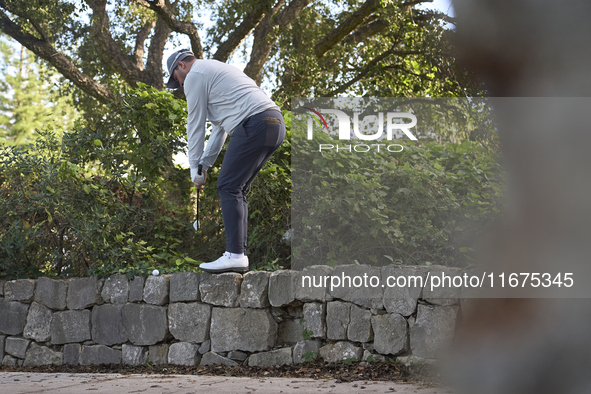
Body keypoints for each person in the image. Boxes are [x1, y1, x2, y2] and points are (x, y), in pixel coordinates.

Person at [165, 48, 286, 274]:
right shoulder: (215, 70)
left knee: (229, 186)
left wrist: (193, 166)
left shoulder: (194, 75)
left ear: (180, 66)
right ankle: (237, 254)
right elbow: (219, 129)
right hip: (275, 124)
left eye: (176, 80)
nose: (180, 86)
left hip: (255, 123)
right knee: (237, 188)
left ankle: (235, 255)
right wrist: (204, 165)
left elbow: (195, 124)